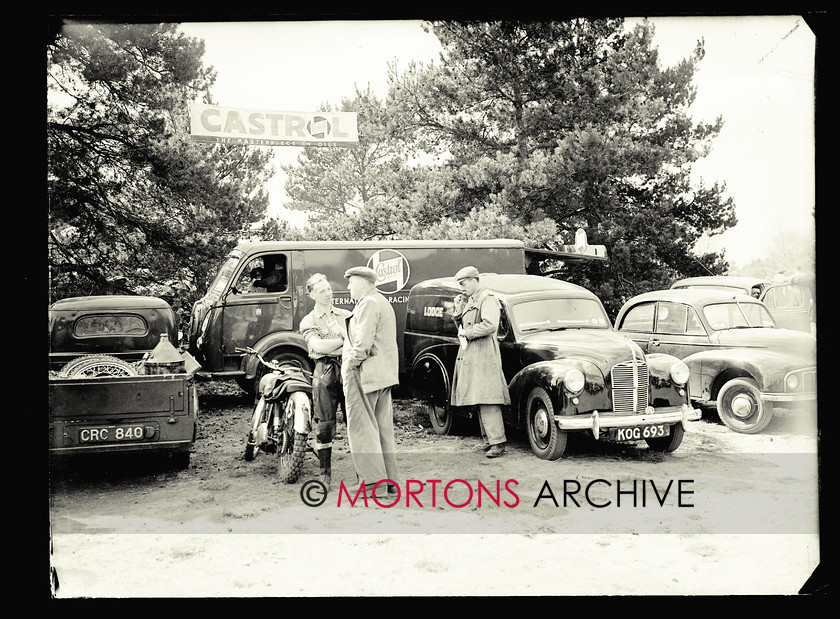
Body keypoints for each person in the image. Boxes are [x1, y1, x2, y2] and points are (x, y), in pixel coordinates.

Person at [340, 266, 399, 499]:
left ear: (362, 283)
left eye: (351, 283)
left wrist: (349, 364)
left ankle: (373, 485)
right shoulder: (381, 301)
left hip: (363, 374)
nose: (348, 287)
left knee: (362, 429)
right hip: (381, 375)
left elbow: (362, 345)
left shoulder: (368, 303)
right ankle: (389, 482)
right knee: (382, 429)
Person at [450, 266, 511, 458]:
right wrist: (458, 311)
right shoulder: (471, 300)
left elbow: (490, 325)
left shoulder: (487, 298)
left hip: (484, 354)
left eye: (463, 283)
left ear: (474, 280)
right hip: (473, 353)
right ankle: (489, 440)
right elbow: (461, 325)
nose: (461, 288)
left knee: (487, 397)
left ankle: (498, 442)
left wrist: (468, 332)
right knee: (478, 397)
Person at [299, 273, 351, 491]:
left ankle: (365, 473)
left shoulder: (346, 314)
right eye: (321, 291)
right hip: (324, 371)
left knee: (356, 420)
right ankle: (325, 475)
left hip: (349, 369)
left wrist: (345, 343)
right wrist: (343, 340)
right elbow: (317, 347)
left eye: (329, 289)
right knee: (325, 424)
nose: (328, 293)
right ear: (312, 295)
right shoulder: (308, 321)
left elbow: (358, 340)